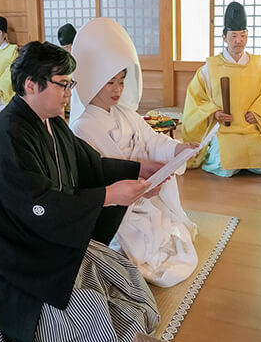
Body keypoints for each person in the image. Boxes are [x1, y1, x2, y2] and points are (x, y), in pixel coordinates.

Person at [0, 41, 168, 342]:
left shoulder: (50, 121)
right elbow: (39, 205)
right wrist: (109, 196)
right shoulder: (7, 138)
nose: (69, 93)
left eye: (71, 84)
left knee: (126, 279)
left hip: (46, 241)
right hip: (15, 257)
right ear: (31, 85)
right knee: (96, 324)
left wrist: (136, 170)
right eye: (63, 84)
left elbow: (87, 165)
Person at [69, 19, 199, 288]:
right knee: (145, 250)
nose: (118, 90)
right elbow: (108, 170)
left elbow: (151, 139)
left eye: (121, 81)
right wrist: (141, 181)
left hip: (143, 194)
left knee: (171, 235)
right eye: (110, 83)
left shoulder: (124, 113)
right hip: (117, 206)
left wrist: (177, 149)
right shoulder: (84, 127)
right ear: (93, 82)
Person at [180, 1, 261, 177]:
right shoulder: (210, 67)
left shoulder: (260, 66)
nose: (239, 41)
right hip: (225, 131)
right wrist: (213, 112)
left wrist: (258, 112)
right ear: (224, 37)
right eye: (234, 36)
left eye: (243, 35)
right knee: (226, 167)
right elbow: (196, 99)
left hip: (252, 130)